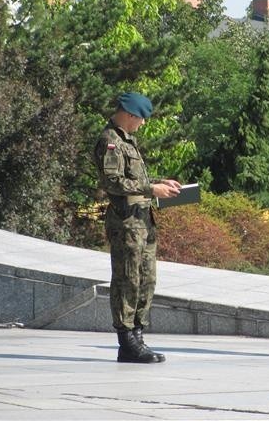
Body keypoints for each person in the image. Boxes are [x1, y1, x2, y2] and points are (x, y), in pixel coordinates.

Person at [94, 92, 181, 364]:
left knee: (146, 279)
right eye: (141, 119)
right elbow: (112, 183)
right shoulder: (110, 141)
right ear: (130, 115)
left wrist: (159, 183)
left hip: (143, 221)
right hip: (126, 222)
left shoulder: (127, 142)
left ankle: (138, 335)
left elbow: (133, 179)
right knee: (127, 279)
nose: (142, 124)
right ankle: (127, 339)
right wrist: (150, 188)